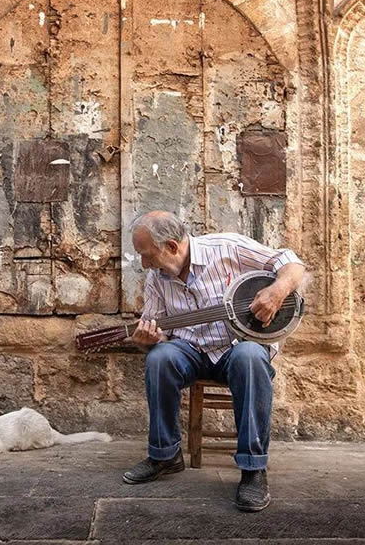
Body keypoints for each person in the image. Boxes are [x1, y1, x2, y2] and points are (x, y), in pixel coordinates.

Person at [122, 210, 306, 512]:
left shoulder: (227, 247)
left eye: (147, 255)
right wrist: (150, 342)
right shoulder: (157, 279)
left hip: (236, 348)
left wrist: (277, 290)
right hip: (190, 351)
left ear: (171, 246)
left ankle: (253, 469)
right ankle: (165, 455)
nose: (144, 264)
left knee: (250, 357)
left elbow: (291, 262)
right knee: (160, 358)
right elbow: (160, 333)